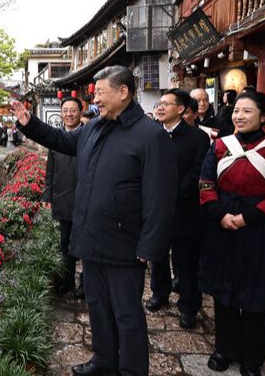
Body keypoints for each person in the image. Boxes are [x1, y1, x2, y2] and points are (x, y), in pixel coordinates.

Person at [11, 66, 176, 376]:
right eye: (94, 93)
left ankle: (132, 370)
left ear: (123, 92)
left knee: (127, 315)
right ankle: (104, 359)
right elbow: (61, 140)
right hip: (91, 237)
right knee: (98, 307)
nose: (95, 98)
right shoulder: (94, 128)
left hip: (125, 244)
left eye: (100, 92)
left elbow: (161, 197)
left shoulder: (150, 135)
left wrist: (150, 245)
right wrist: (29, 122)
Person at [198, 90, 265, 376]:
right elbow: (205, 182)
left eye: (247, 111)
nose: (239, 116)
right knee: (223, 291)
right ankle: (225, 348)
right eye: (237, 111)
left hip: (258, 227)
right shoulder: (219, 146)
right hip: (222, 223)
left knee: (254, 294)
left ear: (263, 116)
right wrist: (220, 214)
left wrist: (245, 218)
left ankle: (252, 356)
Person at [146, 89, 210, 329]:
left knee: (186, 260)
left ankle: (189, 305)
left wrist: (174, 194)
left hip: (185, 208)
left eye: (166, 104)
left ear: (181, 109)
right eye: (159, 104)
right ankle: (159, 293)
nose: (160, 107)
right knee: (158, 254)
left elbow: (197, 171)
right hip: (156, 207)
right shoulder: (151, 134)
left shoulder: (197, 137)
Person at [42, 97, 84, 297]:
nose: (69, 114)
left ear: (81, 112)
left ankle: (85, 284)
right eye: (65, 110)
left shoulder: (87, 136)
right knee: (65, 243)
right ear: (61, 114)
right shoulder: (56, 139)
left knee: (85, 244)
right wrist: (47, 195)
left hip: (84, 198)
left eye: (73, 110)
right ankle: (67, 282)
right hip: (63, 197)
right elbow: (50, 171)